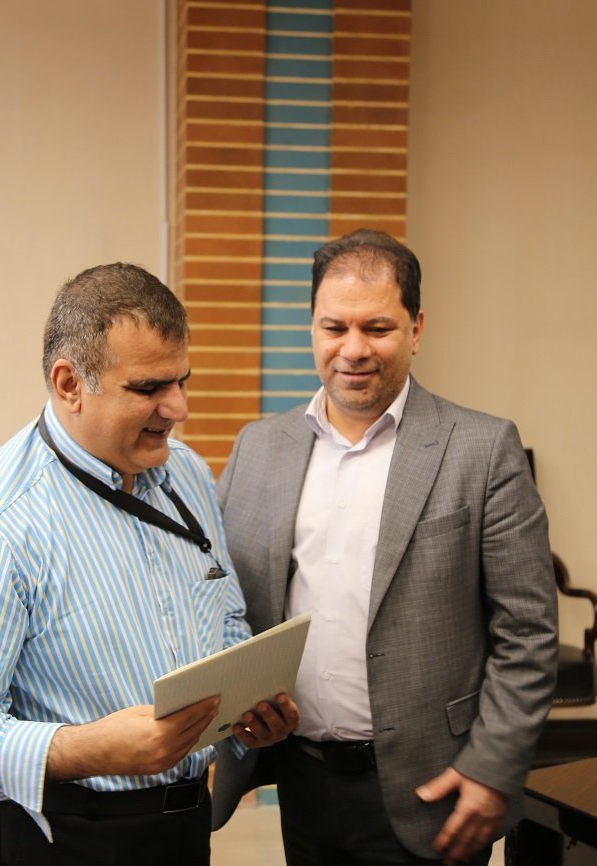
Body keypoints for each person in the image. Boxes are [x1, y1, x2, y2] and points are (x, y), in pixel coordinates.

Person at [0, 263, 299, 866]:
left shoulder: (187, 474)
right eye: (148, 388)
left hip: (185, 829)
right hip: (61, 839)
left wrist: (247, 708)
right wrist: (89, 749)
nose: (179, 407)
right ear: (69, 384)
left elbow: (222, 619)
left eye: (182, 380)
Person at [210, 230, 558, 865]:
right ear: (312, 327)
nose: (353, 349)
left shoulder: (481, 450)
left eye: (377, 328)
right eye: (334, 327)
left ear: (416, 328)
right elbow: (219, 602)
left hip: (435, 786)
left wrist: (492, 766)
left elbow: (528, 634)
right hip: (300, 777)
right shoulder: (258, 449)